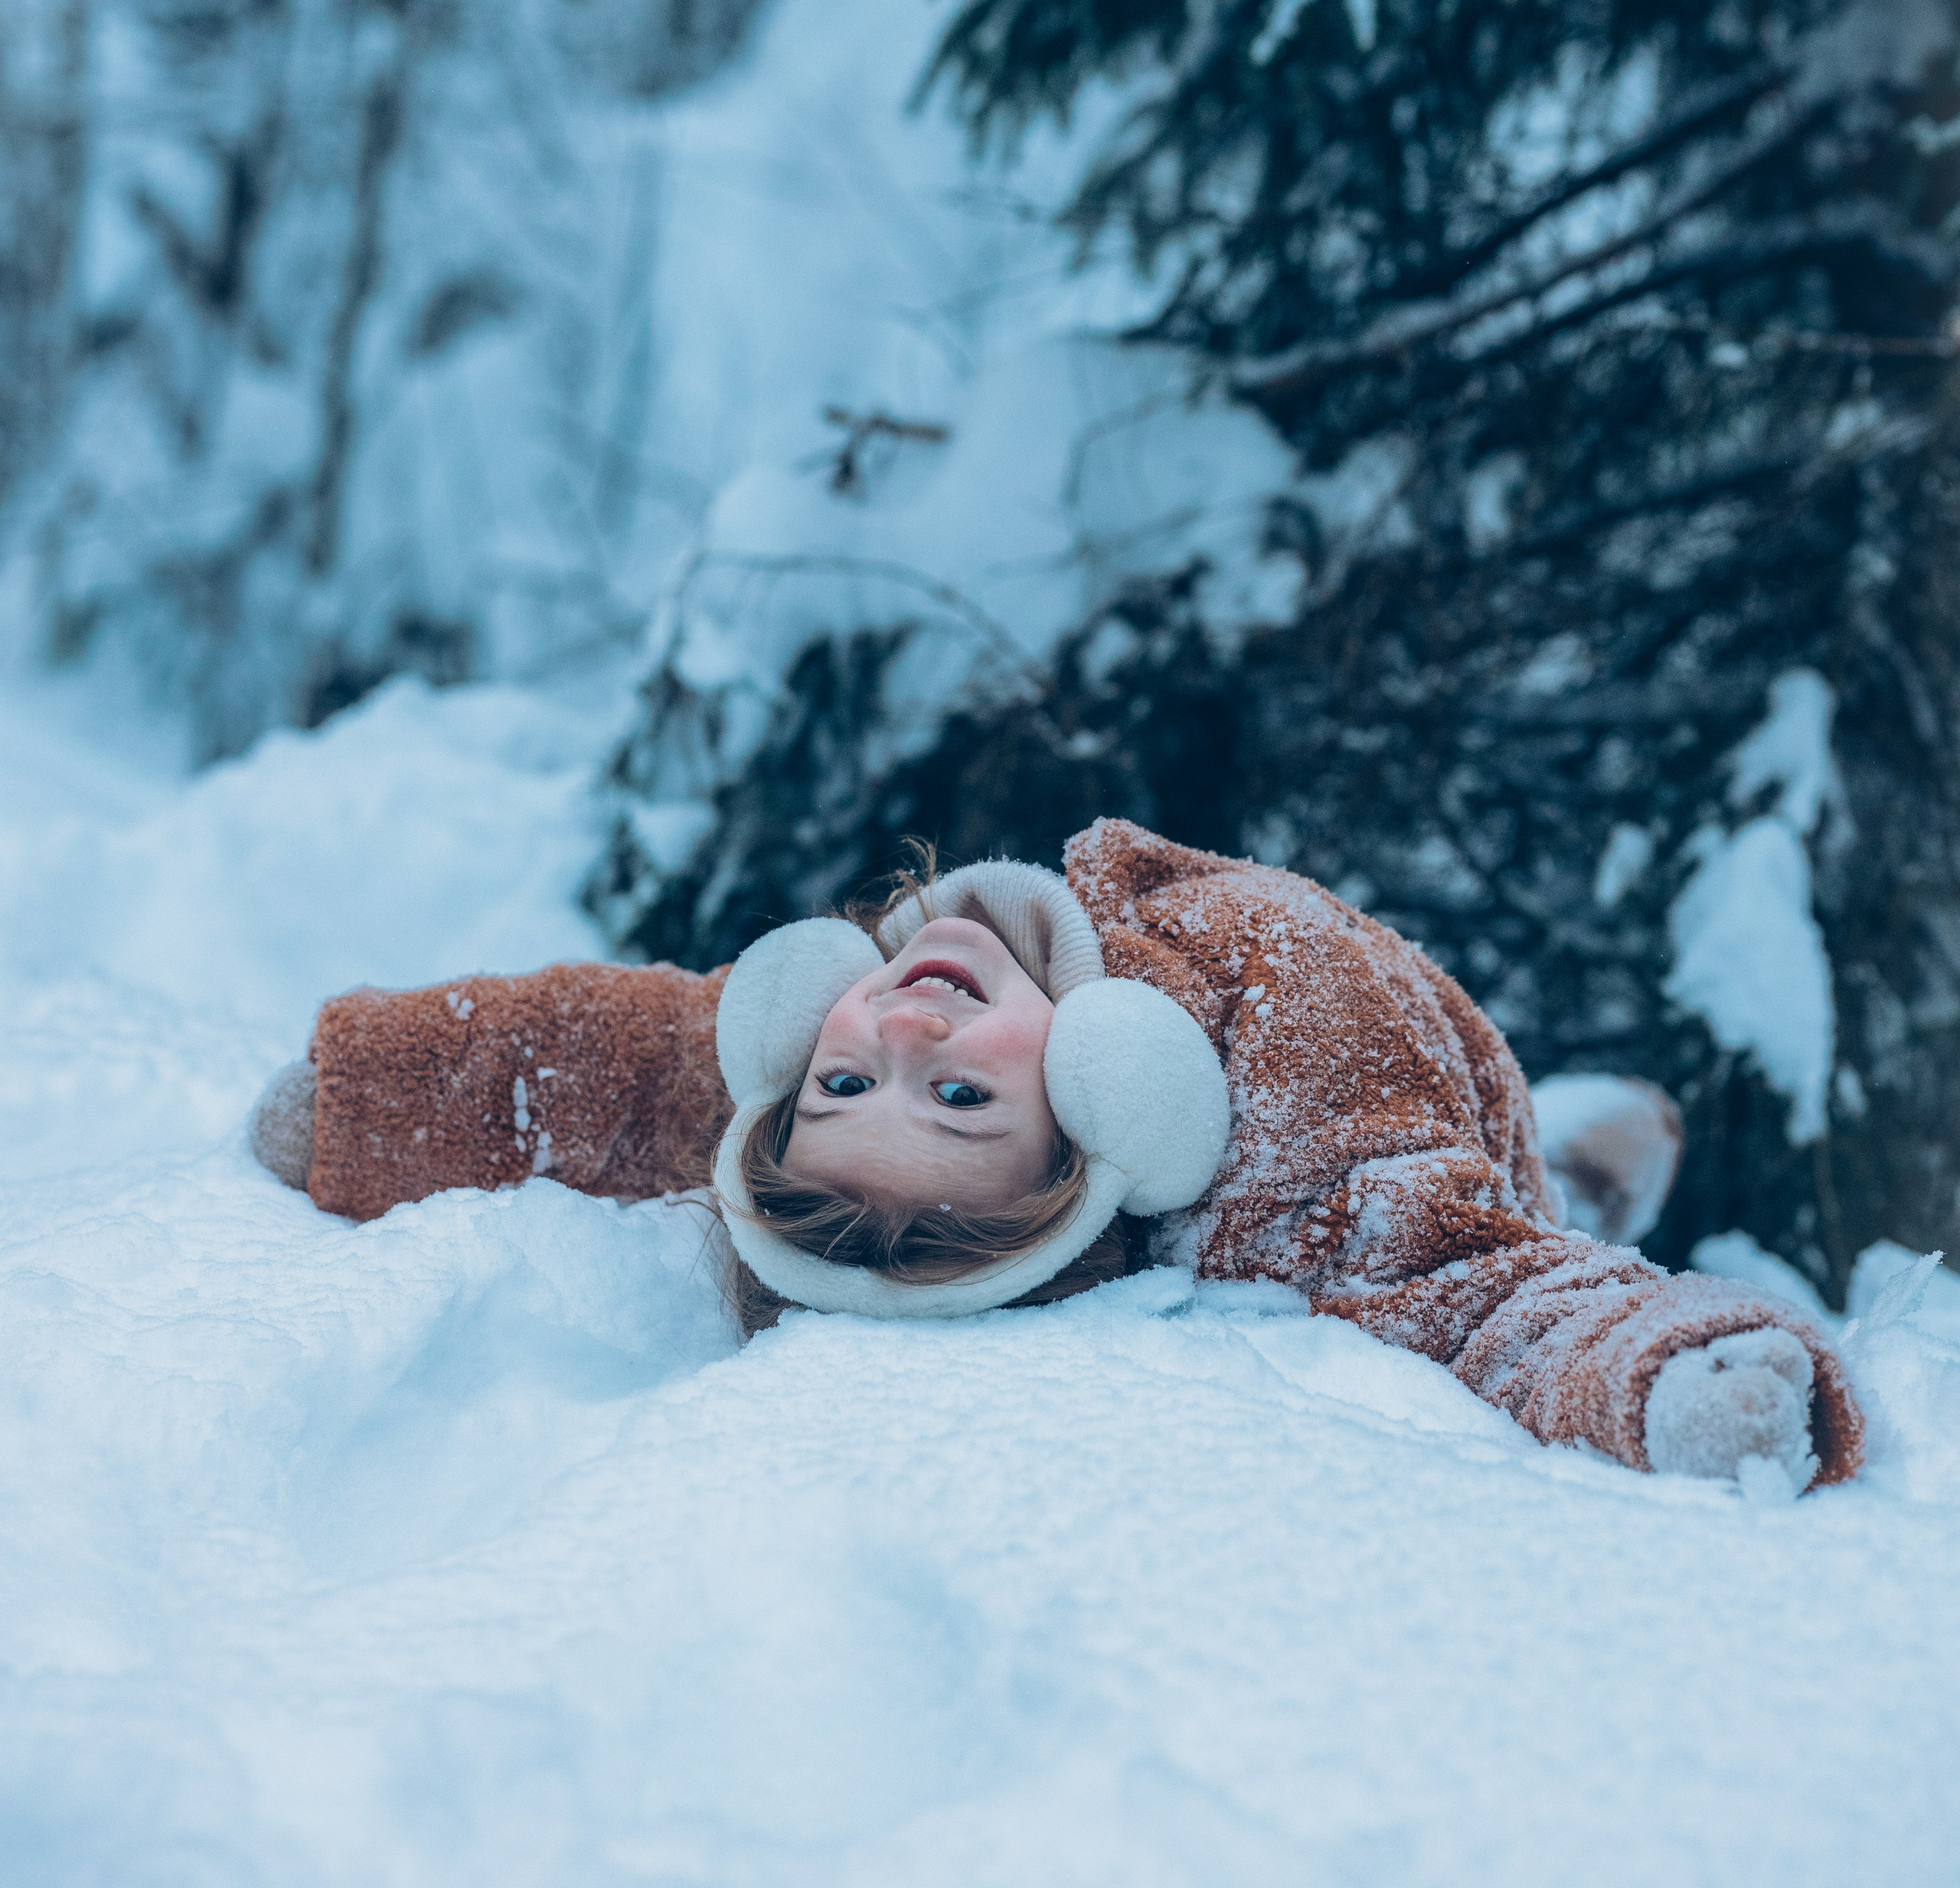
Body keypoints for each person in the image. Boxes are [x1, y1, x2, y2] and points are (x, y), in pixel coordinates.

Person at [250, 818, 1861, 1493]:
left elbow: (600, 1072)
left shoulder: (850, 1013)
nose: (912, 1036)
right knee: (1517, 1210)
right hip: (1429, 1130)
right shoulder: (1282, 1150)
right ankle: (1570, 1173)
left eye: (847, 1075)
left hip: (1395, 1065)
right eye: (962, 1107)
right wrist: (1665, 1377)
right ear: (1092, 1125)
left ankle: (1583, 1156)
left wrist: (373, 1101)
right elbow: (1459, 1292)